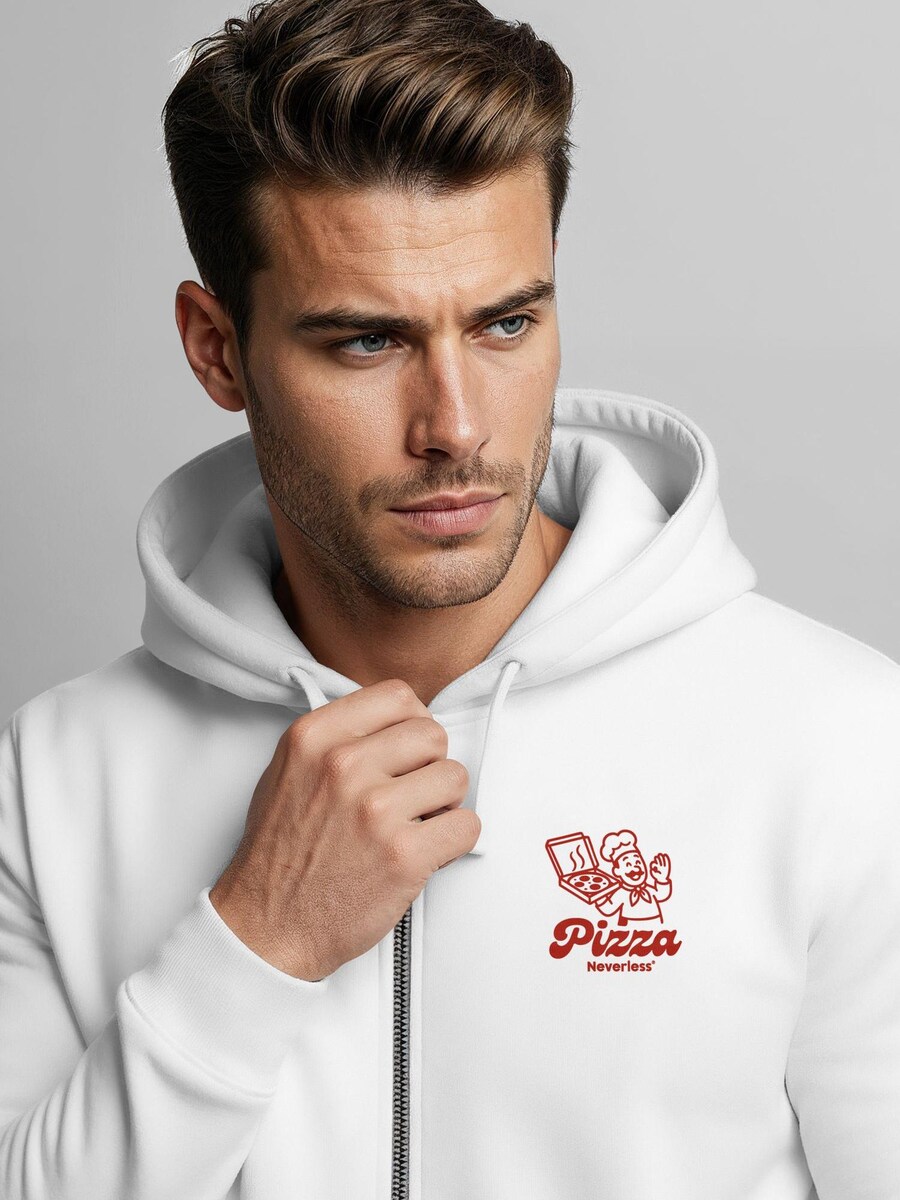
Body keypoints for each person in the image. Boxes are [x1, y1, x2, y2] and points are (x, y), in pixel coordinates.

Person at [1, 0, 898, 1195]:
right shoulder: (54, 780)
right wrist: (255, 943)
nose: (458, 428)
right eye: (366, 343)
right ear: (218, 350)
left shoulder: (839, 744)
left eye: (505, 323)